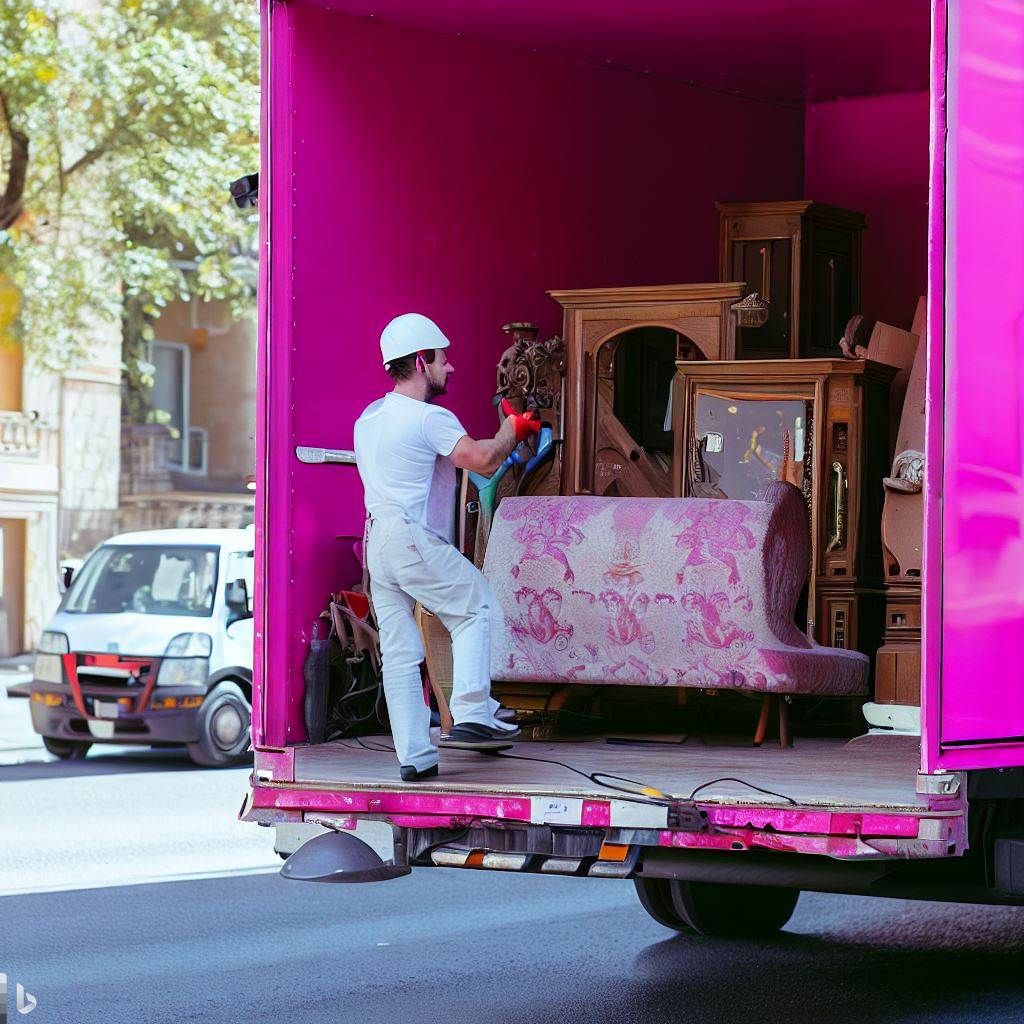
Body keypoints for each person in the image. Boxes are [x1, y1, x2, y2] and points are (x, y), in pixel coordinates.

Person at [354, 313, 540, 781]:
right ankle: (474, 713)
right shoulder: (429, 417)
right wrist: (514, 429)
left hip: (379, 542)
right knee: (476, 606)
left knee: (398, 652)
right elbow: (478, 458)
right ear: (421, 361)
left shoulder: (368, 419)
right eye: (443, 359)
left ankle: (414, 757)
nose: (451, 367)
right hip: (411, 538)